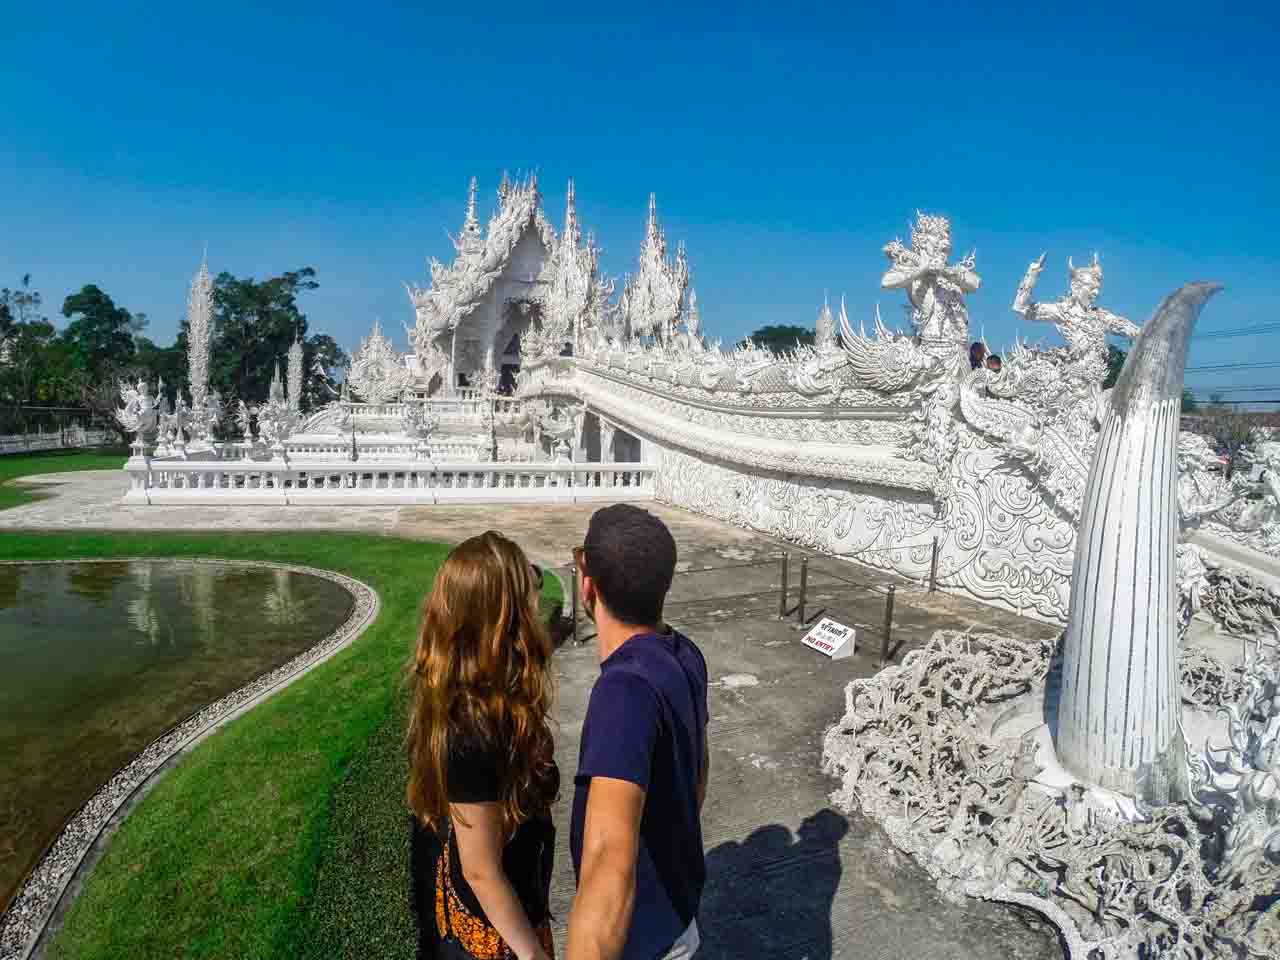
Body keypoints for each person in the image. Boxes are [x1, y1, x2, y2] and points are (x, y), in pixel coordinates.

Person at [407, 531, 559, 960]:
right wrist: (534, 955)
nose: (536, 600)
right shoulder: (469, 731)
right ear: (503, 619)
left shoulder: (492, 693)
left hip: (513, 903)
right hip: (495, 939)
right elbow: (481, 870)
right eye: (528, 588)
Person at [566, 505, 709, 960]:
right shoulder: (686, 652)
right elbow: (699, 770)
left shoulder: (623, 692)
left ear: (588, 585)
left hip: (643, 939)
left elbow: (609, 860)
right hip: (678, 914)